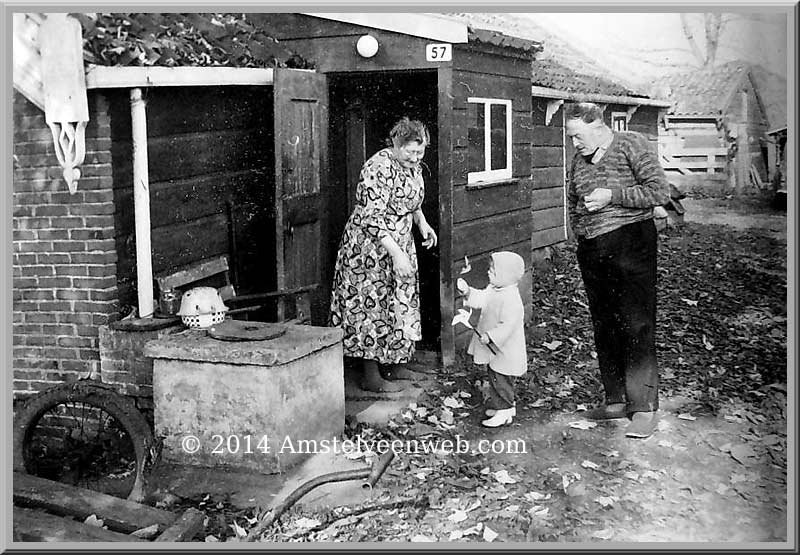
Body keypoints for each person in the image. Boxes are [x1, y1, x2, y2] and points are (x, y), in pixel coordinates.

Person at [565, 102, 671, 439]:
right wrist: (580, 233)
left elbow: (659, 192)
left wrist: (612, 195)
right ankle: (615, 399)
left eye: (577, 136)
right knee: (604, 322)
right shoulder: (579, 159)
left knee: (636, 323)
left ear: (598, 126)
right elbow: (572, 200)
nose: (574, 144)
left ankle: (644, 408)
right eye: (571, 138)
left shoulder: (631, 144)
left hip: (631, 243)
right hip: (594, 248)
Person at [329, 118, 438, 393]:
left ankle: (397, 363)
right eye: (410, 152)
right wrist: (398, 255)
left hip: (399, 240)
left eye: (420, 152)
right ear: (395, 144)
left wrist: (422, 223)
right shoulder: (377, 166)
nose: (415, 158)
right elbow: (371, 217)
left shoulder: (413, 167)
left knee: (399, 302)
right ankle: (371, 376)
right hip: (370, 248)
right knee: (372, 306)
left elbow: (412, 200)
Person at [456, 251, 527, 427]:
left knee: (501, 378)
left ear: (506, 276)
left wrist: (491, 336)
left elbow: (509, 325)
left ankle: (504, 410)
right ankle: (507, 408)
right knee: (495, 375)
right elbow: (481, 299)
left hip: (505, 349)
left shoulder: (511, 298)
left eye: (493, 271)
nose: (489, 272)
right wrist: (468, 292)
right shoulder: (494, 289)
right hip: (496, 349)